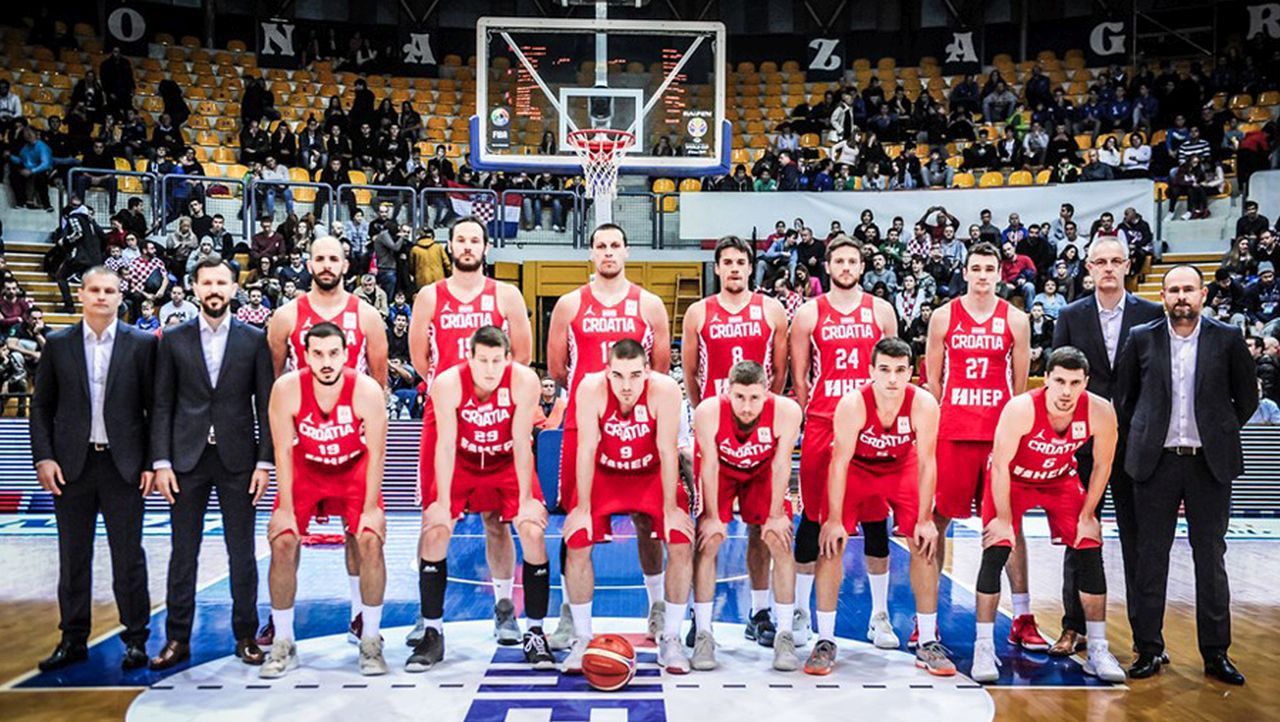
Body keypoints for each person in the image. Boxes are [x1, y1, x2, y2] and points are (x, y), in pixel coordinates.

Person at [1115, 265, 1257, 685]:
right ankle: (1148, 648)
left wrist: (1219, 429)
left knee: (1210, 558)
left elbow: (1247, 398)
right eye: (1174, 289)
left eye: (1188, 289)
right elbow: (1125, 399)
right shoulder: (1141, 337)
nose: (1181, 296)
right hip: (1155, 463)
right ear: (1163, 296)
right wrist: (1146, 435)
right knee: (1149, 558)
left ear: (1203, 294)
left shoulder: (1227, 338)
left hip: (1208, 463)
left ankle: (1216, 653)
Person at [406, 217, 534, 650]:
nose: (467, 246)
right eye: (460, 239)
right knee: (435, 515)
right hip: (445, 415)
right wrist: (451, 389)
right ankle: (428, 615)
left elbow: (522, 355)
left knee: (497, 520)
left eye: (474, 240)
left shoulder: (506, 294)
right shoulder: (430, 296)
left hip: (496, 415)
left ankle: (505, 608)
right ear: (450, 247)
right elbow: (420, 358)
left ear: (485, 246)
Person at [545, 223, 672, 648]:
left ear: (627, 251)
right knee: (577, 520)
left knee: (647, 519)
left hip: (639, 425)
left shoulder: (650, 305)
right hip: (585, 424)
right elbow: (558, 369)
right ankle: (569, 613)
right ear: (591, 253)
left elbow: (659, 369)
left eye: (615, 245)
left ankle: (657, 606)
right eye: (601, 246)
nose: (608, 252)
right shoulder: (569, 305)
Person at [969, 347, 1126, 684]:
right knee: (997, 547)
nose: (1067, 391)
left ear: (1086, 383)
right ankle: (983, 645)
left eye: (1075, 383)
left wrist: (1088, 514)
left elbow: (1103, 465)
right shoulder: (1021, 409)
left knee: (1089, 545)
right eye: (1060, 381)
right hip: (1012, 479)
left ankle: (1098, 648)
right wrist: (1003, 519)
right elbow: (1000, 466)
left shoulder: (1100, 411)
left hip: (1059, 479)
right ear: (1046, 380)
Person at [147, 259, 275, 670]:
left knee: (243, 553)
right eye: (207, 283)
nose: (215, 289)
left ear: (235, 289)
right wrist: (162, 461)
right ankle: (177, 638)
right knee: (183, 553)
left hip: (238, 460)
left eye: (222, 282)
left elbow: (266, 406)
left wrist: (264, 462)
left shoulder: (254, 339)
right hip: (186, 459)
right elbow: (161, 404)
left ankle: (246, 635)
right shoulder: (173, 338)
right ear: (195, 288)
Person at [262, 236, 388, 644]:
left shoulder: (367, 315)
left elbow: (379, 380)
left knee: (360, 533)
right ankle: (280, 623)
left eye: (334, 258)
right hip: (305, 446)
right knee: (285, 535)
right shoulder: (285, 316)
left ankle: (359, 616)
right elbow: (274, 383)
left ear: (346, 264)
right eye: (320, 258)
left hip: (352, 446)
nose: (327, 265)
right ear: (309, 263)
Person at [30, 267, 156, 672]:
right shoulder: (58, 343)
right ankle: (72, 639)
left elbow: (155, 409)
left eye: (109, 290)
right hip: (72, 466)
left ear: (121, 297)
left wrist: (151, 463)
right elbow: (41, 407)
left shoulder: (141, 344)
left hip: (124, 466)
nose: (102, 296)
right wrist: (44, 457)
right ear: (82, 294)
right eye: (95, 290)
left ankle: (135, 639)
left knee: (129, 557)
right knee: (73, 556)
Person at [925, 242, 1046, 650]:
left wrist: (1015, 433)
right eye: (975, 268)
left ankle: (1023, 617)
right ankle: (927, 620)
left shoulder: (1016, 319)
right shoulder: (943, 316)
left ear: (999, 273)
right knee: (937, 521)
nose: (981, 275)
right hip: (954, 432)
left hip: (999, 437)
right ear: (965, 272)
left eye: (988, 268)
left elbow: (1020, 387)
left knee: (1009, 525)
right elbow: (933, 382)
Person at [410, 325, 551, 670]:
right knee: (435, 530)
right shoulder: (447, 384)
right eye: (483, 360)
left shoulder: (524, 381)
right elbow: (445, 445)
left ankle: (534, 631)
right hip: (462, 459)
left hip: (505, 461)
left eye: (496, 361)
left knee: (532, 531)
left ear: (508, 358)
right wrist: (441, 502)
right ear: (469, 357)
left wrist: (527, 500)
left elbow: (522, 443)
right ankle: (432, 632)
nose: (490, 369)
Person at [811, 338, 954, 676]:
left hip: (900, 467)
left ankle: (928, 640)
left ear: (910, 372)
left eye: (900, 370)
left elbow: (927, 462)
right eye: (885, 370)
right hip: (857, 468)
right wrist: (834, 519)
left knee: (923, 543)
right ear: (871, 371)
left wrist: (925, 518)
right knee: (831, 544)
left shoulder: (923, 403)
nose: (892, 378)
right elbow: (839, 462)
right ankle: (825, 639)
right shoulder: (853, 404)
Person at [559, 339, 694, 673]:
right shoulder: (590, 389)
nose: (627, 386)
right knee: (577, 538)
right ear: (607, 371)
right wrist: (582, 508)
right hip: (605, 474)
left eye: (635, 375)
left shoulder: (665, 390)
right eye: (618, 376)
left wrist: (671, 509)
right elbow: (586, 448)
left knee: (680, 538)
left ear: (647, 371)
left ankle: (671, 636)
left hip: (650, 474)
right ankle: (581, 637)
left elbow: (667, 451)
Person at [680, 237, 790, 648]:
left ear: (750, 266)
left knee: (762, 528)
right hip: (715, 430)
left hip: (759, 428)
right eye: (726, 262)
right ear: (717, 267)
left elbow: (779, 371)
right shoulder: (698, 312)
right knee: (707, 528)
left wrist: (758, 409)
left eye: (741, 262)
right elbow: (690, 372)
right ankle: (699, 617)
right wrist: (708, 412)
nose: (734, 268)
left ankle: (759, 612)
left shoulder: (771, 310)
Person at [789, 236, 898, 644]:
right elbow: (800, 376)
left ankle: (880, 616)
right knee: (813, 518)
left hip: (873, 426)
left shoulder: (881, 311)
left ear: (862, 266)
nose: (847, 267)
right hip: (824, 423)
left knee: (875, 519)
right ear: (828, 266)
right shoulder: (808, 313)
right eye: (840, 261)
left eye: (853, 261)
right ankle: (801, 612)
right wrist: (818, 411)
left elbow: (894, 369)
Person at [690, 361, 802, 670]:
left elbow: (782, 464)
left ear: (767, 392)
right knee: (710, 539)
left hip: (763, 471)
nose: (747, 406)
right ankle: (703, 632)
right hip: (721, 471)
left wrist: (776, 514)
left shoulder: (786, 411)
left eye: (754, 398)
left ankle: (783, 634)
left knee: (778, 539)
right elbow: (709, 464)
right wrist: (713, 516)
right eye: (739, 397)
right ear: (728, 392)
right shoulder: (709, 411)